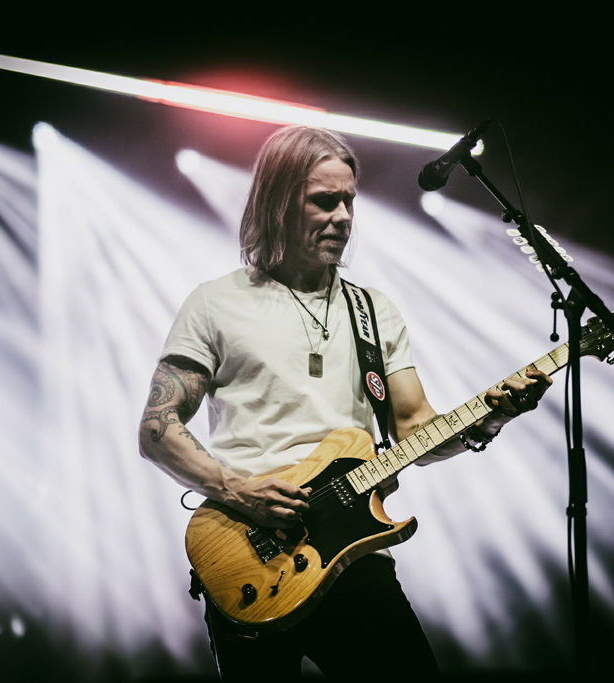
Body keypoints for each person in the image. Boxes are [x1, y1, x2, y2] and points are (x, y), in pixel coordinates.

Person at [138, 125, 552, 680]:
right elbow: (157, 427)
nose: (342, 217)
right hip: (249, 553)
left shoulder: (373, 311)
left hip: (354, 557)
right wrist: (235, 489)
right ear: (278, 201)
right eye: (324, 201)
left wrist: (490, 419)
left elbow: (415, 429)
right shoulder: (216, 303)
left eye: (349, 202)